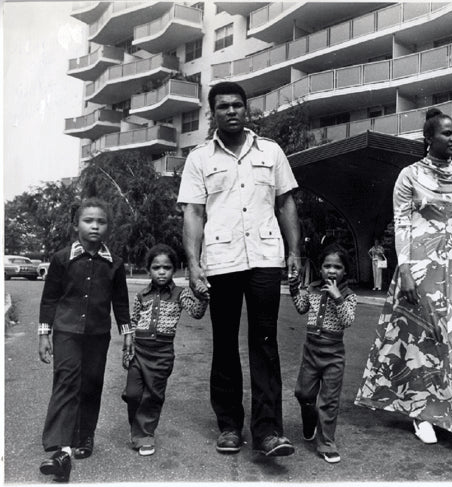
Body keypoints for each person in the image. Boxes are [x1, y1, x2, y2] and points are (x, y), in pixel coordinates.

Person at [355, 108, 452, 457]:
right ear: (428, 138)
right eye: (447, 133)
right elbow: (401, 224)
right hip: (420, 266)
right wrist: (403, 269)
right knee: (424, 339)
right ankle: (420, 414)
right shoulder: (409, 176)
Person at [177, 81, 301, 457]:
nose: (231, 111)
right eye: (223, 107)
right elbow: (193, 214)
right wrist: (194, 264)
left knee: (265, 344)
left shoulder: (272, 151)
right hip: (221, 260)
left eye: (237, 106)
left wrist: (295, 252)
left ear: (247, 110)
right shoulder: (199, 158)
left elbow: (285, 204)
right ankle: (229, 425)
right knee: (225, 344)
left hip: (264, 256)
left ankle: (268, 431)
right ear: (212, 114)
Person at [38, 197, 132, 482]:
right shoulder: (61, 258)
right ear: (75, 225)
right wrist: (44, 334)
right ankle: (59, 448)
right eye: (88, 221)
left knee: (91, 383)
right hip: (66, 332)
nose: (94, 226)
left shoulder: (114, 263)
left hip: (97, 334)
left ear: (108, 227)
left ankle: (85, 437)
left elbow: (121, 302)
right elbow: (50, 298)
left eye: (101, 222)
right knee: (66, 381)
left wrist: (127, 335)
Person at [122, 244, 209, 456]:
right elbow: (132, 321)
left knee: (152, 396)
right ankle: (139, 429)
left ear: (174, 269)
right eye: (156, 267)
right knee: (133, 394)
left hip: (161, 354)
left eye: (167, 267)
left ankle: (144, 436)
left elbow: (196, 313)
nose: (162, 272)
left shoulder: (181, 294)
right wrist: (127, 349)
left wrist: (204, 296)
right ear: (149, 269)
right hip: (139, 352)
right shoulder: (142, 295)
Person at [288, 244, 357, 464]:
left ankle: (327, 442)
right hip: (311, 351)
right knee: (303, 393)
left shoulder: (348, 295)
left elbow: (347, 320)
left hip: (333, 355)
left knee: (328, 401)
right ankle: (310, 421)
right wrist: (293, 288)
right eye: (327, 266)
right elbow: (301, 308)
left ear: (345, 271)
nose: (332, 270)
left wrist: (338, 298)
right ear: (321, 269)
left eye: (337, 267)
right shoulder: (313, 289)